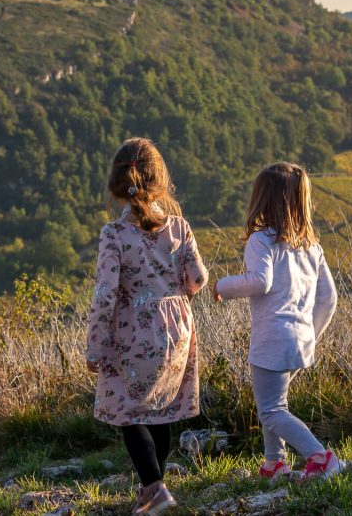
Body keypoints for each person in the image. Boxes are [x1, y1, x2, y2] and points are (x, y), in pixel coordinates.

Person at [86, 137, 208, 515]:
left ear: (116, 187)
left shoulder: (115, 234)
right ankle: (154, 486)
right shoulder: (179, 227)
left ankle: (154, 488)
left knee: (129, 409)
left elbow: (105, 293)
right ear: (160, 181)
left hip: (133, 331)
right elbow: (198, 278)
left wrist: (95, 346)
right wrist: (174, 294)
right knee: (162, 406)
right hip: (177, 329)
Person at [214, 162, 342, 480]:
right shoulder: (312, 246)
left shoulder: (261, 240)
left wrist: (221, 286)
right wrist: (310, 333)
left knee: (271, 410)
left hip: (272, 339)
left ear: (262, 198)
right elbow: (329, 299)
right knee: (275, 404)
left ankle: (321, 457)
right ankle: (275, 463)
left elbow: (260, 282)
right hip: (301, 340)